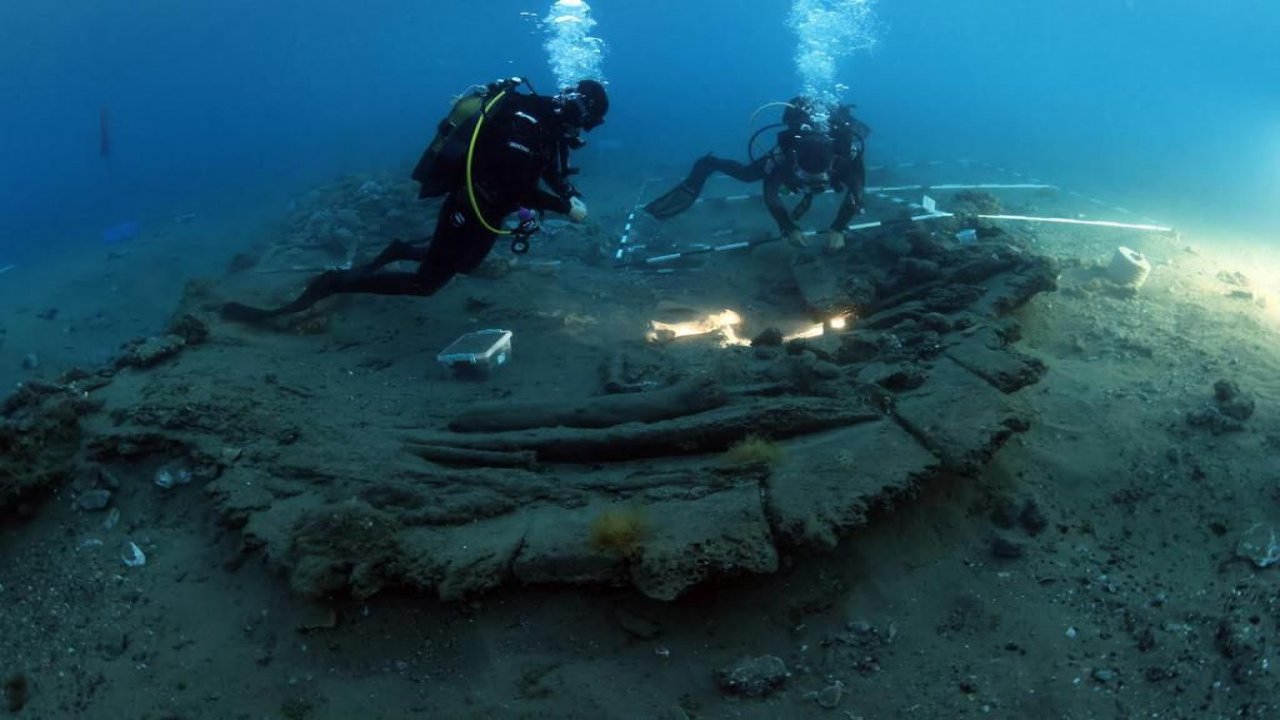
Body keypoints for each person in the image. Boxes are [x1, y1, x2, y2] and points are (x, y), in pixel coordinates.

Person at [222, 77, 609, 323]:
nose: (581, 133)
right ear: (579, 111)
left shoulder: (545, 127)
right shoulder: (526, 125)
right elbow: (517, 186)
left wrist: (568, 193)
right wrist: (561, 208)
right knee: (426, 285)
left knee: (469, 262)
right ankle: (332, 283)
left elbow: (546, 172)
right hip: (468, 205)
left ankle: (401, 249)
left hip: (491, 208)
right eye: (586, 123)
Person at [645, 96, 868, 252]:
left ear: (833, 164)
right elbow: (770, 192)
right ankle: (708, 163)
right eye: (805, 176)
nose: (814, 185)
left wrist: (839, 227)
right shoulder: (785, 155)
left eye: (819, 179)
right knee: (747, 174)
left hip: (833, 158)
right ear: (795, 160)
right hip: (794, 156)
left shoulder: (848, 156)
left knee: (850, 183)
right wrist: (787, 227)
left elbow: (857, 190)